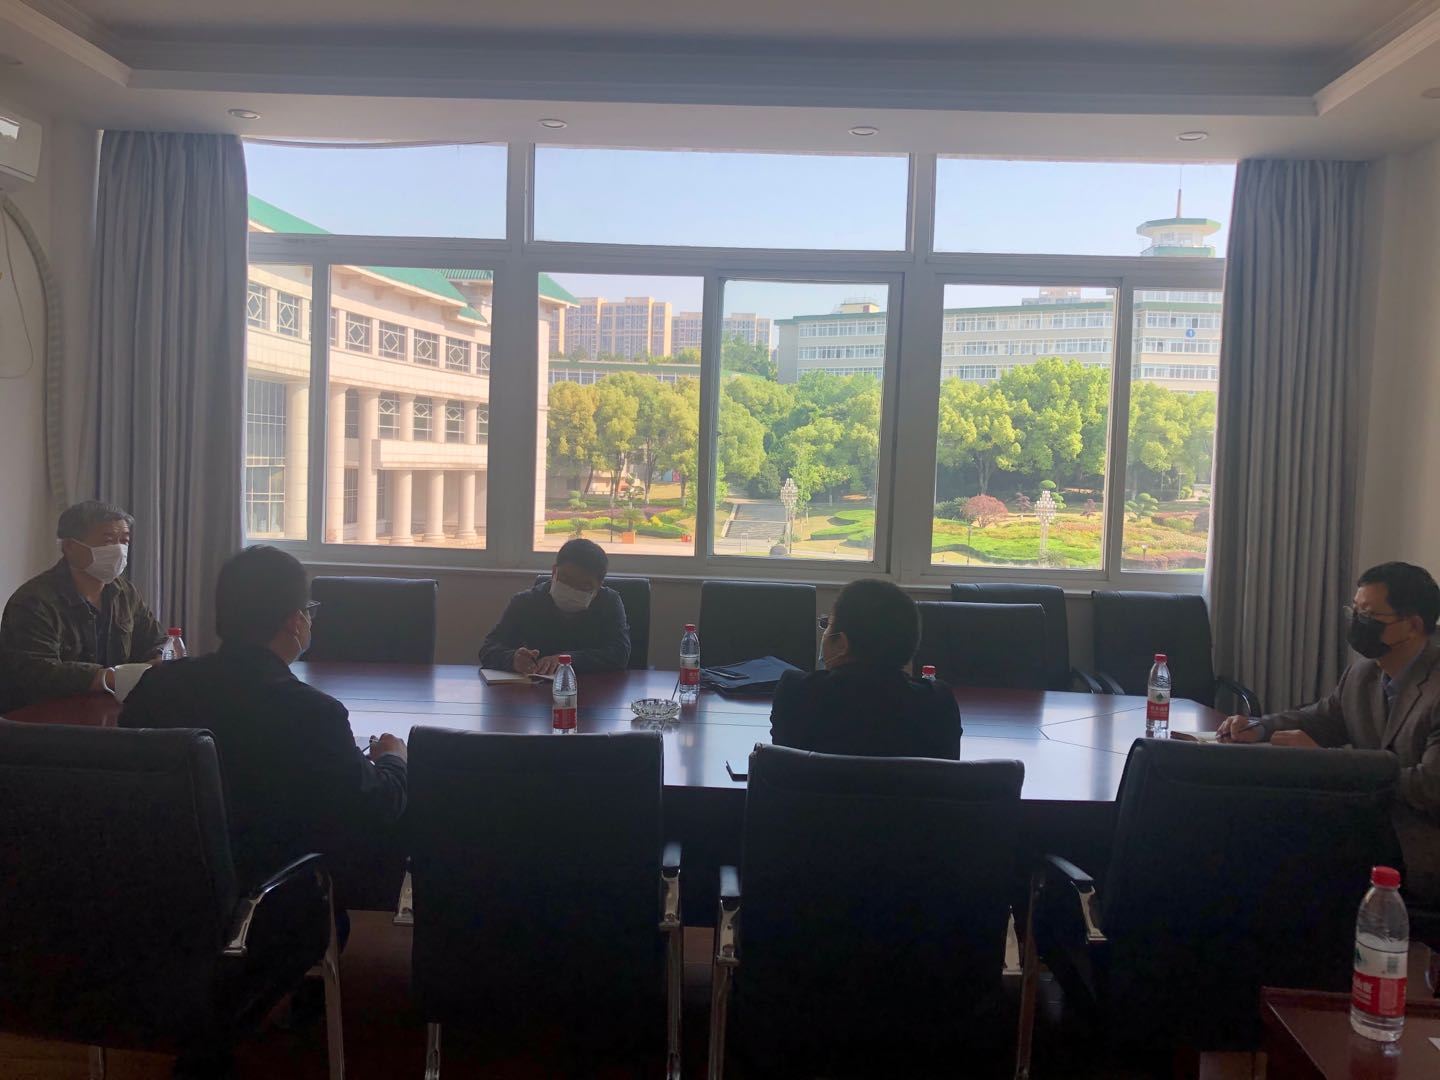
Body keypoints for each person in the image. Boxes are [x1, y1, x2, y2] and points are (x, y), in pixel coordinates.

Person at [120, 545, 408, 894]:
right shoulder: (313, 713)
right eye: (308, 611)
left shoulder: (156, 686)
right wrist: (393, 760)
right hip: (275, 901)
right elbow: (374, 810)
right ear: (294, 621)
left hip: (160, 890)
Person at [1217, 561, 1440, 903]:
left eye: (1370, 615)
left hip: (1416, 839)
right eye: (1356, 611)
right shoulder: (1363, 674)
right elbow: (1321, 718)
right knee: (1253, 821)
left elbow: (1430, 787)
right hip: (1363, 818)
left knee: (1285, 849)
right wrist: (1259, 728)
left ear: (1413, 625)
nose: (1358, 622)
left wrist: (1331, 763)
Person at [0, 500, 166, 712]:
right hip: (42, 719)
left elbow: (155, 639)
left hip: (109, 712)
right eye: (107, 541)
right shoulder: (33, 601)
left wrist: (160, 659)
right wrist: (110, 677)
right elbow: (37, 672)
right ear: (69, 546)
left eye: (124, 541)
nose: (118, 550)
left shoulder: (125, 593)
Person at [770, 578, 962, 759]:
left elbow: (779, 769)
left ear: (842, 643)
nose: (825, 633)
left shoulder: (796, 692)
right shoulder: (938, 703)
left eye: (827, 625)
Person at [479, 538, 631, 674]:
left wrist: (567, 660)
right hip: (536, 691)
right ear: (554, 572)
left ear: (599, 586)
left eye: (584, 586)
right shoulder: (526, 602)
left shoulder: (609, 602)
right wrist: (513, 659)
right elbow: (488, 648)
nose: (572, 589)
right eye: (566, 580)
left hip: (594, 690)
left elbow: (620, 655)